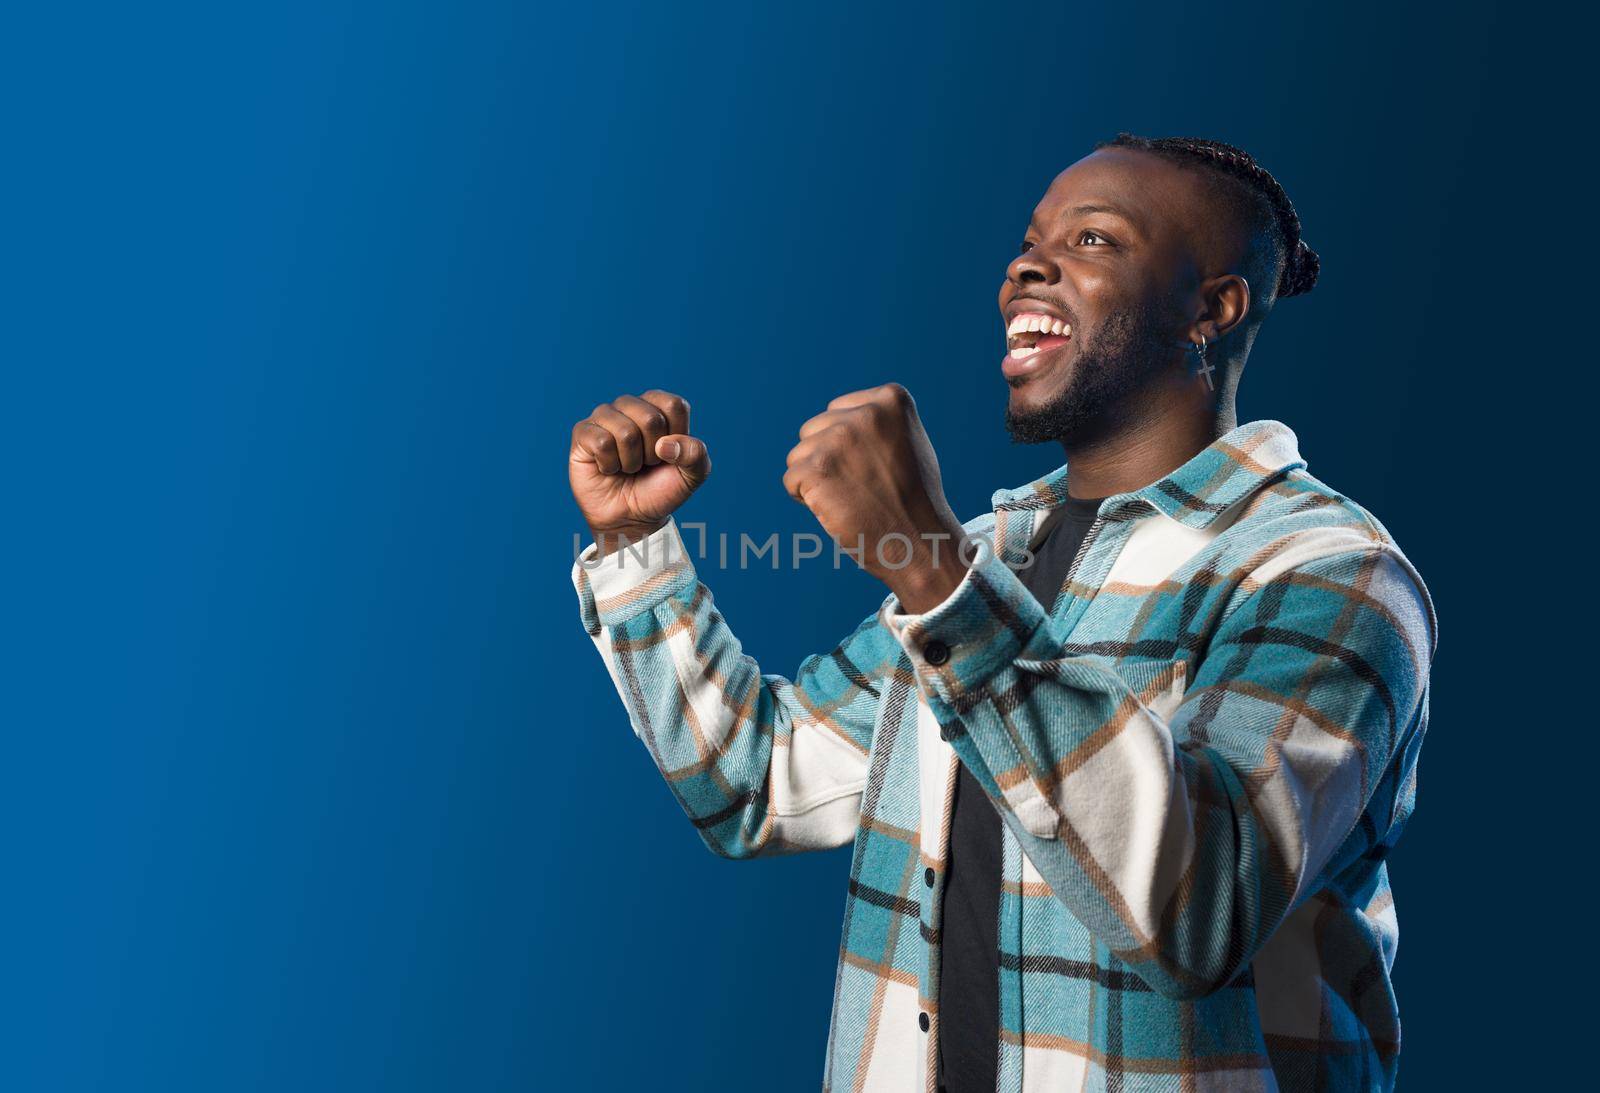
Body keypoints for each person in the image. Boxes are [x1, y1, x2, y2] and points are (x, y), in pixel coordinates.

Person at [567, 133, 1436, 1093]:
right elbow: (756, 781)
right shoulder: (991, 556)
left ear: (1212, 308)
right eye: (1031, 241)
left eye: (1096, 240)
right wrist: (633, 551)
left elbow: (1204, 911)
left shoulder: (1330, 571)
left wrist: (936, 571)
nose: (1027, 263)